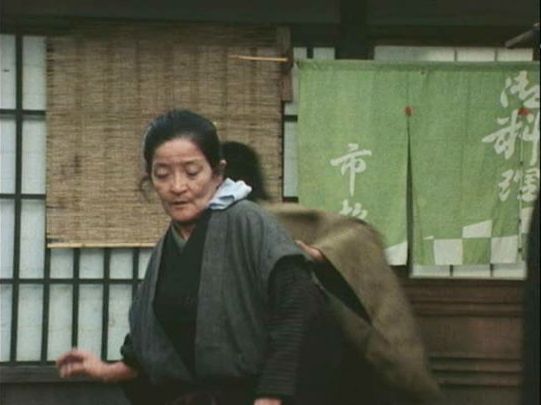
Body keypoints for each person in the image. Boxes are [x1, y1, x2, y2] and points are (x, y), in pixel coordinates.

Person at [56, 110, 341, 405]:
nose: (177, 186)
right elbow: (156, 339)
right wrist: (104, 370)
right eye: (162, 174)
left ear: (217, 173)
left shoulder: (250, 223)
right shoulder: (167, 246)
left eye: (192, 172)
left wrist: (271, 395)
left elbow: (297, 307)